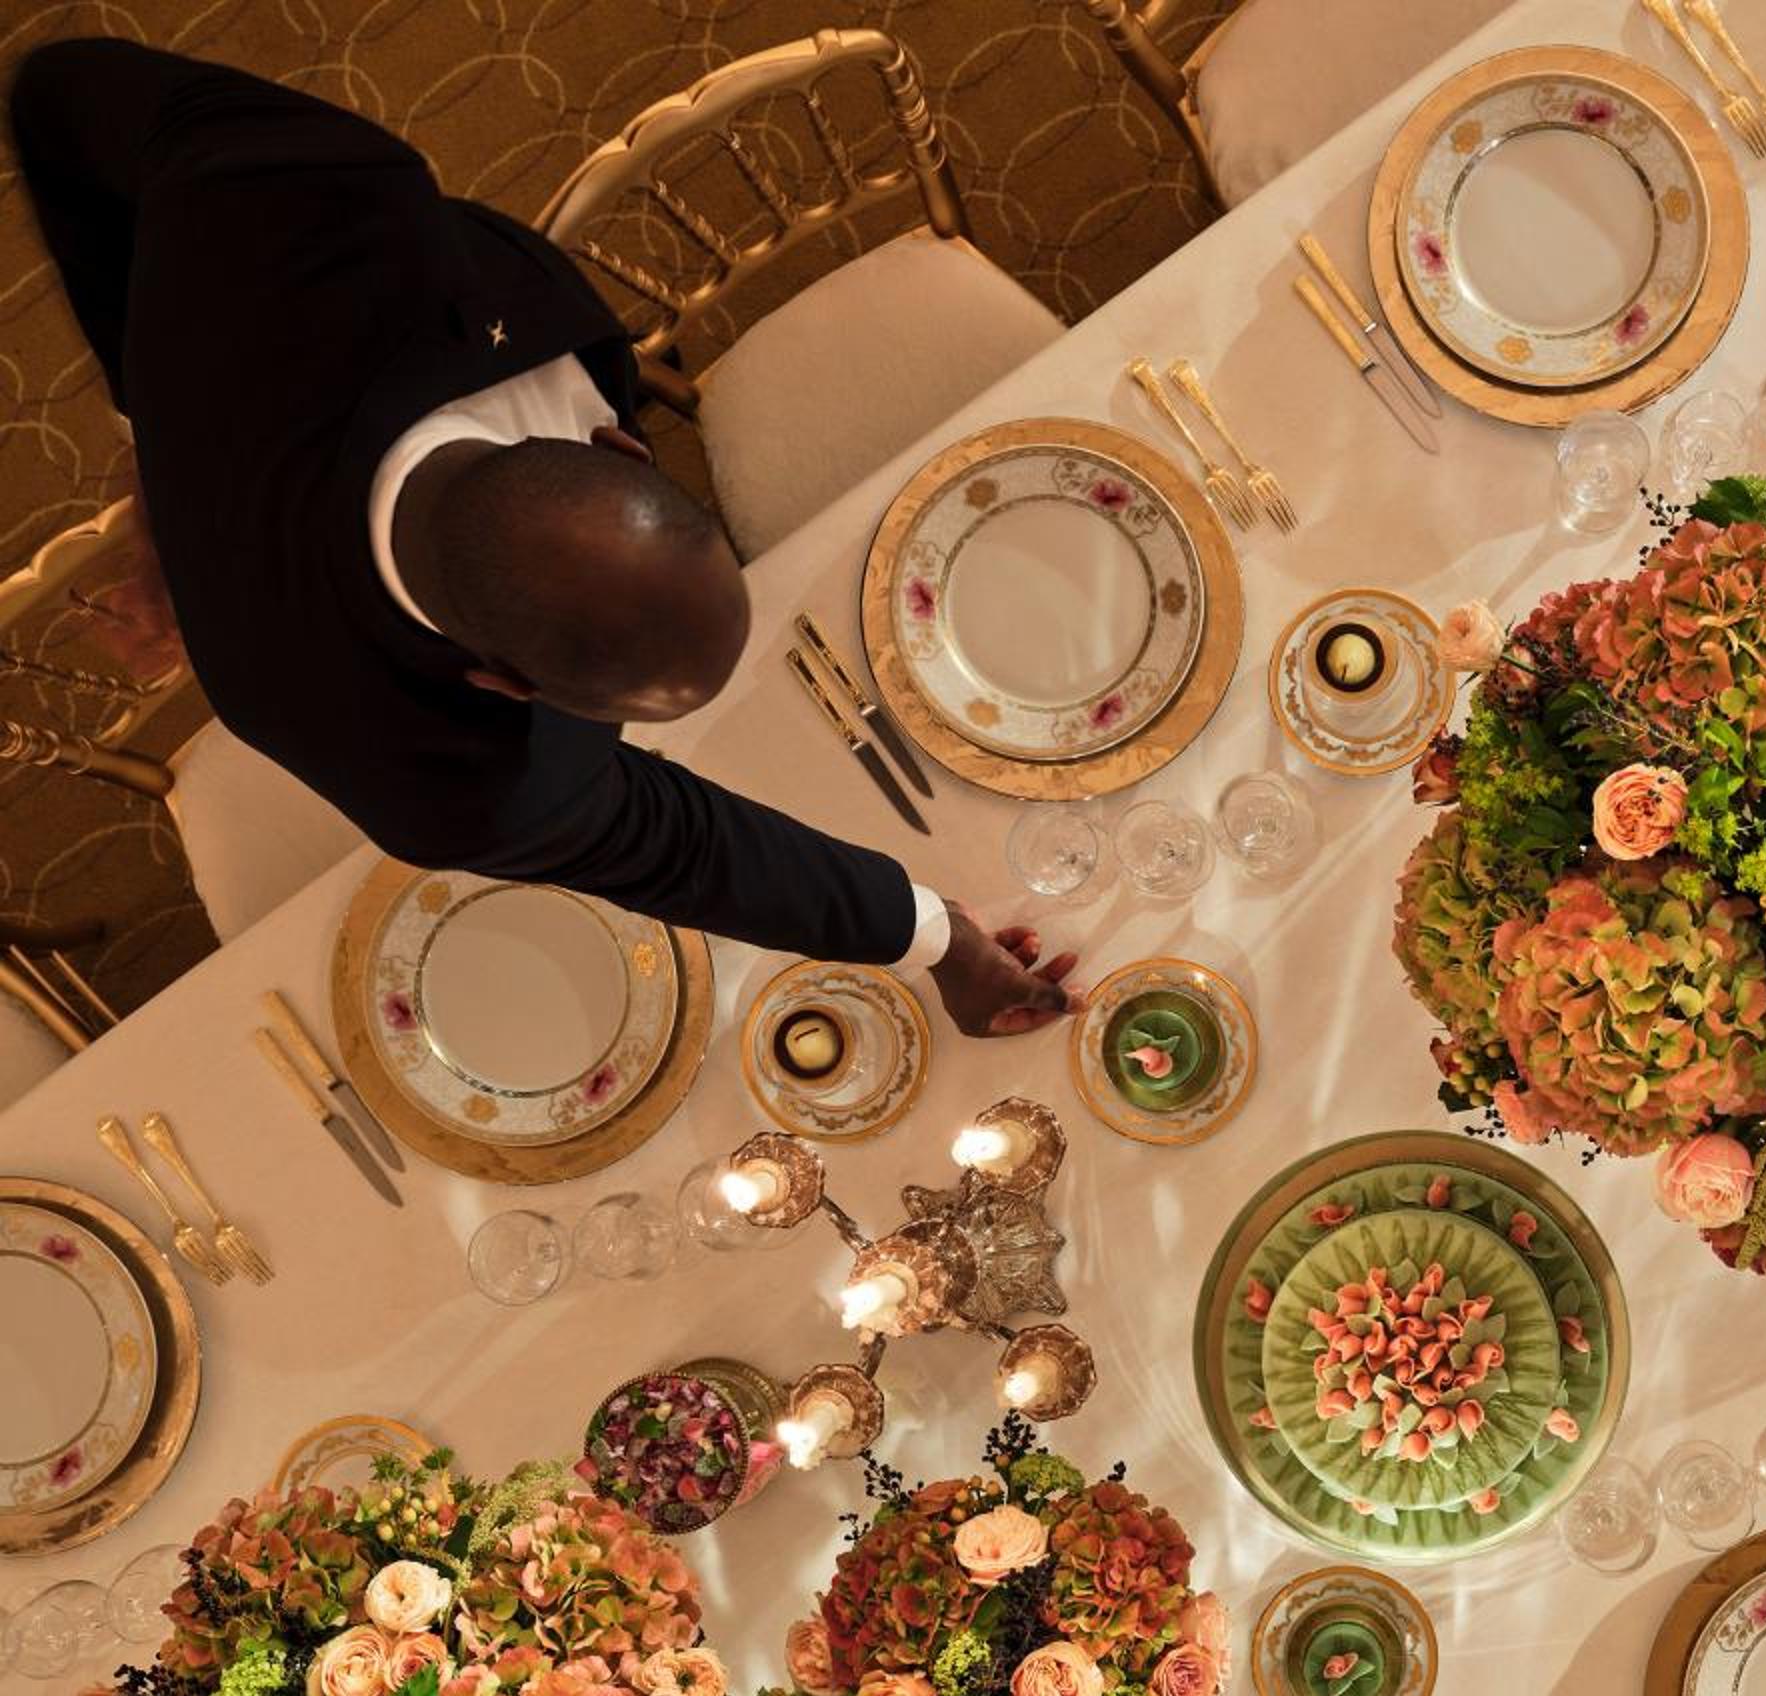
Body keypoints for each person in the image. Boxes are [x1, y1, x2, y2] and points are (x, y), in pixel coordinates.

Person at [8, 37, 1072, 1033]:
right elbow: (676, 845)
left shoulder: (326, 188)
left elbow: (62, 88)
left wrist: (161, 413)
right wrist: (163, 450)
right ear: (504, 687)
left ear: (622, 451)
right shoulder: (430, 774)